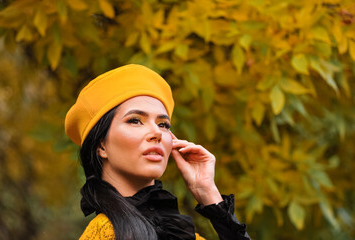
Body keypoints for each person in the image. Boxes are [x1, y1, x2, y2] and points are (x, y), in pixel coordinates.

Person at [65, 64, 250, 240]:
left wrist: (209, 194)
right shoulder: (103, 233)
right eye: (135, 120)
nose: (156, 133)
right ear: (101, 145)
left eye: (163, 124)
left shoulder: (180, 232)